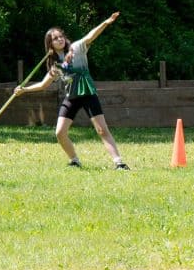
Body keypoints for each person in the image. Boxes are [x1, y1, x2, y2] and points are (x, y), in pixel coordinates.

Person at [13, 12, 129, 170]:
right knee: (60, 133)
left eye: (60, 36)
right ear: (50, 44)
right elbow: (43, 85)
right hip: (71, 97)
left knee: (102, 130)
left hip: (87, 93)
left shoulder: (76, 48)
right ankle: (74, 160)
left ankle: (119, 163)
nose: (59, 39)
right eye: (55, 38)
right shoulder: (56, 66)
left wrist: (106, 22)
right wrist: (23, 90)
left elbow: (90, 36)